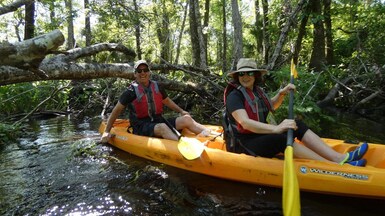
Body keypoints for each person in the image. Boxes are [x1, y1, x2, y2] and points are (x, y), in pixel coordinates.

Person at [225, 58, 368, 167]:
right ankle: (331, 166)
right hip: (243, 144)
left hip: (258, 136)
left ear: (255, 75)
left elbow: (270, 106)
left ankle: (339, 158)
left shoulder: (255, 91)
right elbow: (245, 122)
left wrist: (281, 94)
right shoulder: (234, 96)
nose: (245, 77)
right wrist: (276, 128)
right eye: (241, 74)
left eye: (249, 73)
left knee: (296, 124)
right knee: (280, 139)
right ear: (237, 77)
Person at [101, 60, 210, 143]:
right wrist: (106, 131)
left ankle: (211, 136)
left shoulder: (157, 86)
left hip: (157, 121)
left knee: (186, 119)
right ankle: (184, 145)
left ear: (149, 72)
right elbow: (116, 110)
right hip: (141, 126)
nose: (142, 73)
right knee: (163, 127)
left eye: (145, 70)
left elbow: (167, 101)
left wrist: (181, 111)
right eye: (139, 71)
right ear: (135, 74)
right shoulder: (130, 92)